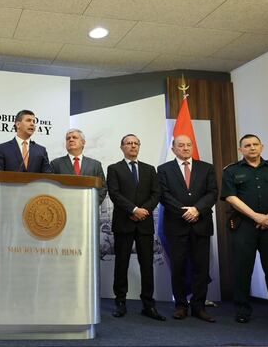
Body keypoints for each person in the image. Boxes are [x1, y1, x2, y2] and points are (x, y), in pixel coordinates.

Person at [221, 134, 268, 328]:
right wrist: (256, 216)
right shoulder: (231, 171)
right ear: (241, 150)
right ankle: (242, 311)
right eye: (247, 145)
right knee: (242, 269)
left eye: (255, 144)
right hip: (244, 224)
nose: (252, 148)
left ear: (262, 147)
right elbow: (230, 197)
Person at [157, 135, 218, 322]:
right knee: (178, 267)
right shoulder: (164, 169)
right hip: (177, 225)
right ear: (173, 148)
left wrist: (197, 209)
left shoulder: (206, 167)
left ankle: (198, 306)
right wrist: (184, 211)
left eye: (188, 145)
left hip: (201, 224)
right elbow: (163, 195)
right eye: (180, 145)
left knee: (201, 267)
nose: (185, 148)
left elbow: (213, 192)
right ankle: (181, 305)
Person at [106, 134, 164, 321]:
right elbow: (114, 193)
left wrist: (144, 210)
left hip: (144, 223)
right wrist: (133, 209)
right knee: (121, 264)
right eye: (128, 143)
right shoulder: (114, 168)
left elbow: (156, 193)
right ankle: (120, 302)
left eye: (135, 143)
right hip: (124, 222)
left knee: (147, 265)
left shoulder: (149, 169)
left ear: (139, 146)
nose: (132, 146)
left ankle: (148, 304)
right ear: (121, 147)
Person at [49, 128, 106, 204]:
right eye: (68, 138)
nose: (71, 140)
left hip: (88, 210)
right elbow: (51, 188)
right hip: (64, 208)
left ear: (83, 142)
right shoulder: (55, 164)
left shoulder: (95, 165)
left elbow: (102, 188)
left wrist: (92, 204)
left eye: (74, 137)